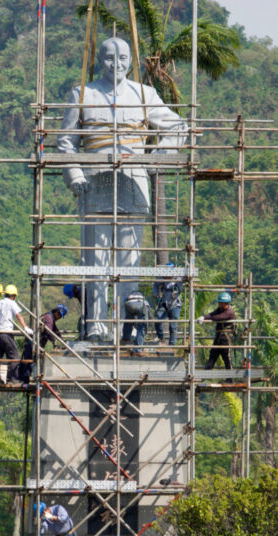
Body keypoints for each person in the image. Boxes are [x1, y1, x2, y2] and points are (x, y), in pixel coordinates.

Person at [57, 37, 188, 342]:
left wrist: (156, 159)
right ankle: (97, 329)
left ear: (131, 60)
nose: (116, 65)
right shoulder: (82, 94)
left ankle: (129, 331)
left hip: (133, 183)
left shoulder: (145, 94)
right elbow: (65, 141)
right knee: (96, 264)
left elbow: (178, 127)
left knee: (129, 264)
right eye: (109, 58)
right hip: (95, 183)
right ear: (99, 61)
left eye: (123, 58)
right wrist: (74, 172)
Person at [0, 284, 33, 385]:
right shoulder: (12, 303)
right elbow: (18, 316)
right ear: (13, 296)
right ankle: (12, 379)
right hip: (6, 334)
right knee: (13, 356)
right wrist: (25, 327)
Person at [197, 292, 236, 370]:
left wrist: (209, 317)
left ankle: (230, 379)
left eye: (221, 303)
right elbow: (211, 314)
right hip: (218, 337)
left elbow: (218, 317)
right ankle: (205, 375)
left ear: (226, 303)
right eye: (219, 302)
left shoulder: (230, 312)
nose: (219, 304)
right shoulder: (220, 309)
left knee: (226, 358)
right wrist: (204, 317)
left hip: (226, 339)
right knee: (212, 356)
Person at [153, 264, 182, 346]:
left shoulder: (178, 278)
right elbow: (156, 284)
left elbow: (187, 277)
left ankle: (172, 344)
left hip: (175, 304)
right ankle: (161, 337)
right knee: (157, 319)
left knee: (173, 326)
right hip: (164, 304)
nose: (167, 275)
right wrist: (155, 293)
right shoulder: (162, 278)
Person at [122, 290, 150, 357]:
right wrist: (145, 330)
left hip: (128, 304)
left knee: (128, 321)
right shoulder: (146, 302)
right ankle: (137, 350)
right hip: (140, 304)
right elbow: (146, 322)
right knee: (142, 326)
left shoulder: (130, 295)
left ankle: (126, 339)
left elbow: (124, 301)